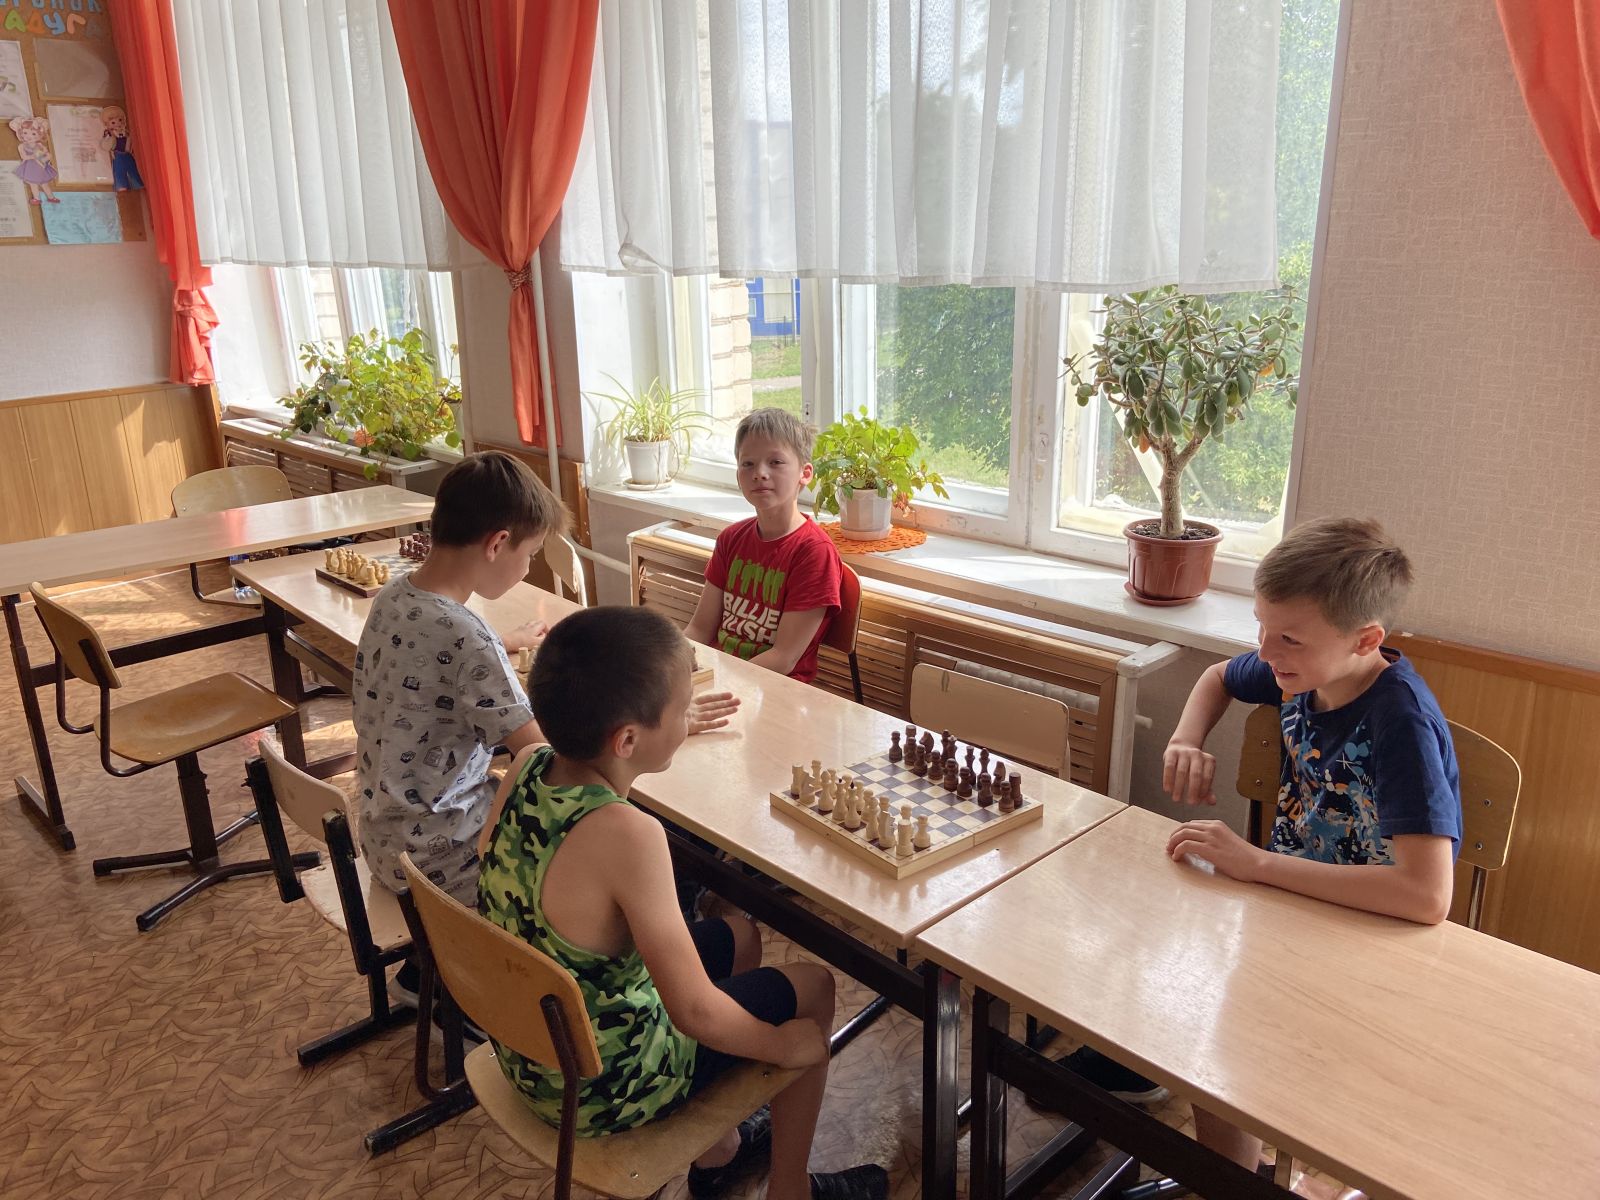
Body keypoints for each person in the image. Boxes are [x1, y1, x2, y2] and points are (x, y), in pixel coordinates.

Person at [1067, 517, 1461, 1194]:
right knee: (1203, 1021)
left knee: (1255, 1051)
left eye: (1288, 639)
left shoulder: (1400, 722)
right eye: (1261, 628)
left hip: (1373, 941)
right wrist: (1186, 739)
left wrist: (1257, 864)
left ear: (1366, 640)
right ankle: (1227, 1172)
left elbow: (1427, 897)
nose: (1267, 652)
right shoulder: (1301, 670)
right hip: (1285, 908)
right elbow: (1218, 676)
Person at [479, 607, 887, 1200]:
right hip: (605, 1084)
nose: (688, 715)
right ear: (627, 740)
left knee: (740, 937)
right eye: (681, 708)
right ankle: (791, 1189)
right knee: (814, 989)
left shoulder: (525, 764)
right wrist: (781, 1046)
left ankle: (718, 1149)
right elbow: (693, 1011)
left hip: (533, 1050)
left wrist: (668, 725)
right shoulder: (628, 834)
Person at [685, 408, 842, 684]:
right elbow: (699, 629)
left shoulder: (814, 552)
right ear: (738, 475)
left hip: (776, 688)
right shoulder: (731, 538)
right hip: (722, 677)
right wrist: (672, 666)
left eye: (775, 462)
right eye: (748, 464)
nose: (759, 473)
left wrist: (718, 681)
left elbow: (783, 658)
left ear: (805, 473)